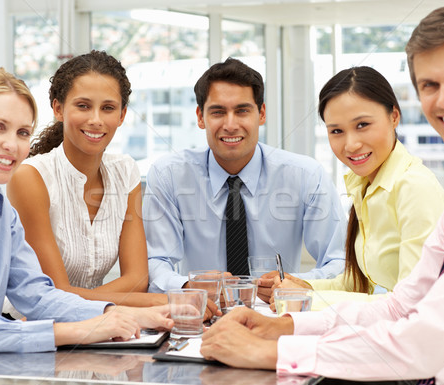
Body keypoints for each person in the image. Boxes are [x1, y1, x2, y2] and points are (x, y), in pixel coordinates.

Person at [201, 6, 444, 385]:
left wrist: (275, 350)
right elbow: (398, 306)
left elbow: (425, 336)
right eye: (429, 85)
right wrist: (287, 327)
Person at [0, 67, 173, 385]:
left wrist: (119, 313)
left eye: (23, 132)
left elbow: (38, 295)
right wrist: (80, 329)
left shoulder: (0, 212)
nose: (11, 144)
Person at [143, 58, 347, 299]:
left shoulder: (306, 175)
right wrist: (190, 287)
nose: (230, 125)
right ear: (200, 117)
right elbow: (155, 262)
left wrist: (292, 283)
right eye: (218, 112)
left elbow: (340, 263)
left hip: (277, 314)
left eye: (242, 111)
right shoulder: (169, 176)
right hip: (202, 314)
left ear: (261, 114)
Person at [272, 66, 444, 310]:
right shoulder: (365, 185)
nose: (351, 144)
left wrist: (307, 300)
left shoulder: (413, 187)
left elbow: (411, 303)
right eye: (336, 131)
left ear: (394, 116)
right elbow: (358, 284)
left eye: (362, 125)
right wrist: (300, 286)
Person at [6, 51, 166, 309]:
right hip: (34, 326)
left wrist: (140, 301)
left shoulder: (125, 171)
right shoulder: (31, 177)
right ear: (58, 109)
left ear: (122, 115)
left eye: (108, 108)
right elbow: (55, 293)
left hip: (102, 325)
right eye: (83, 106)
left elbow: (137, 279)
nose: (96, 120)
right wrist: (157, 302)